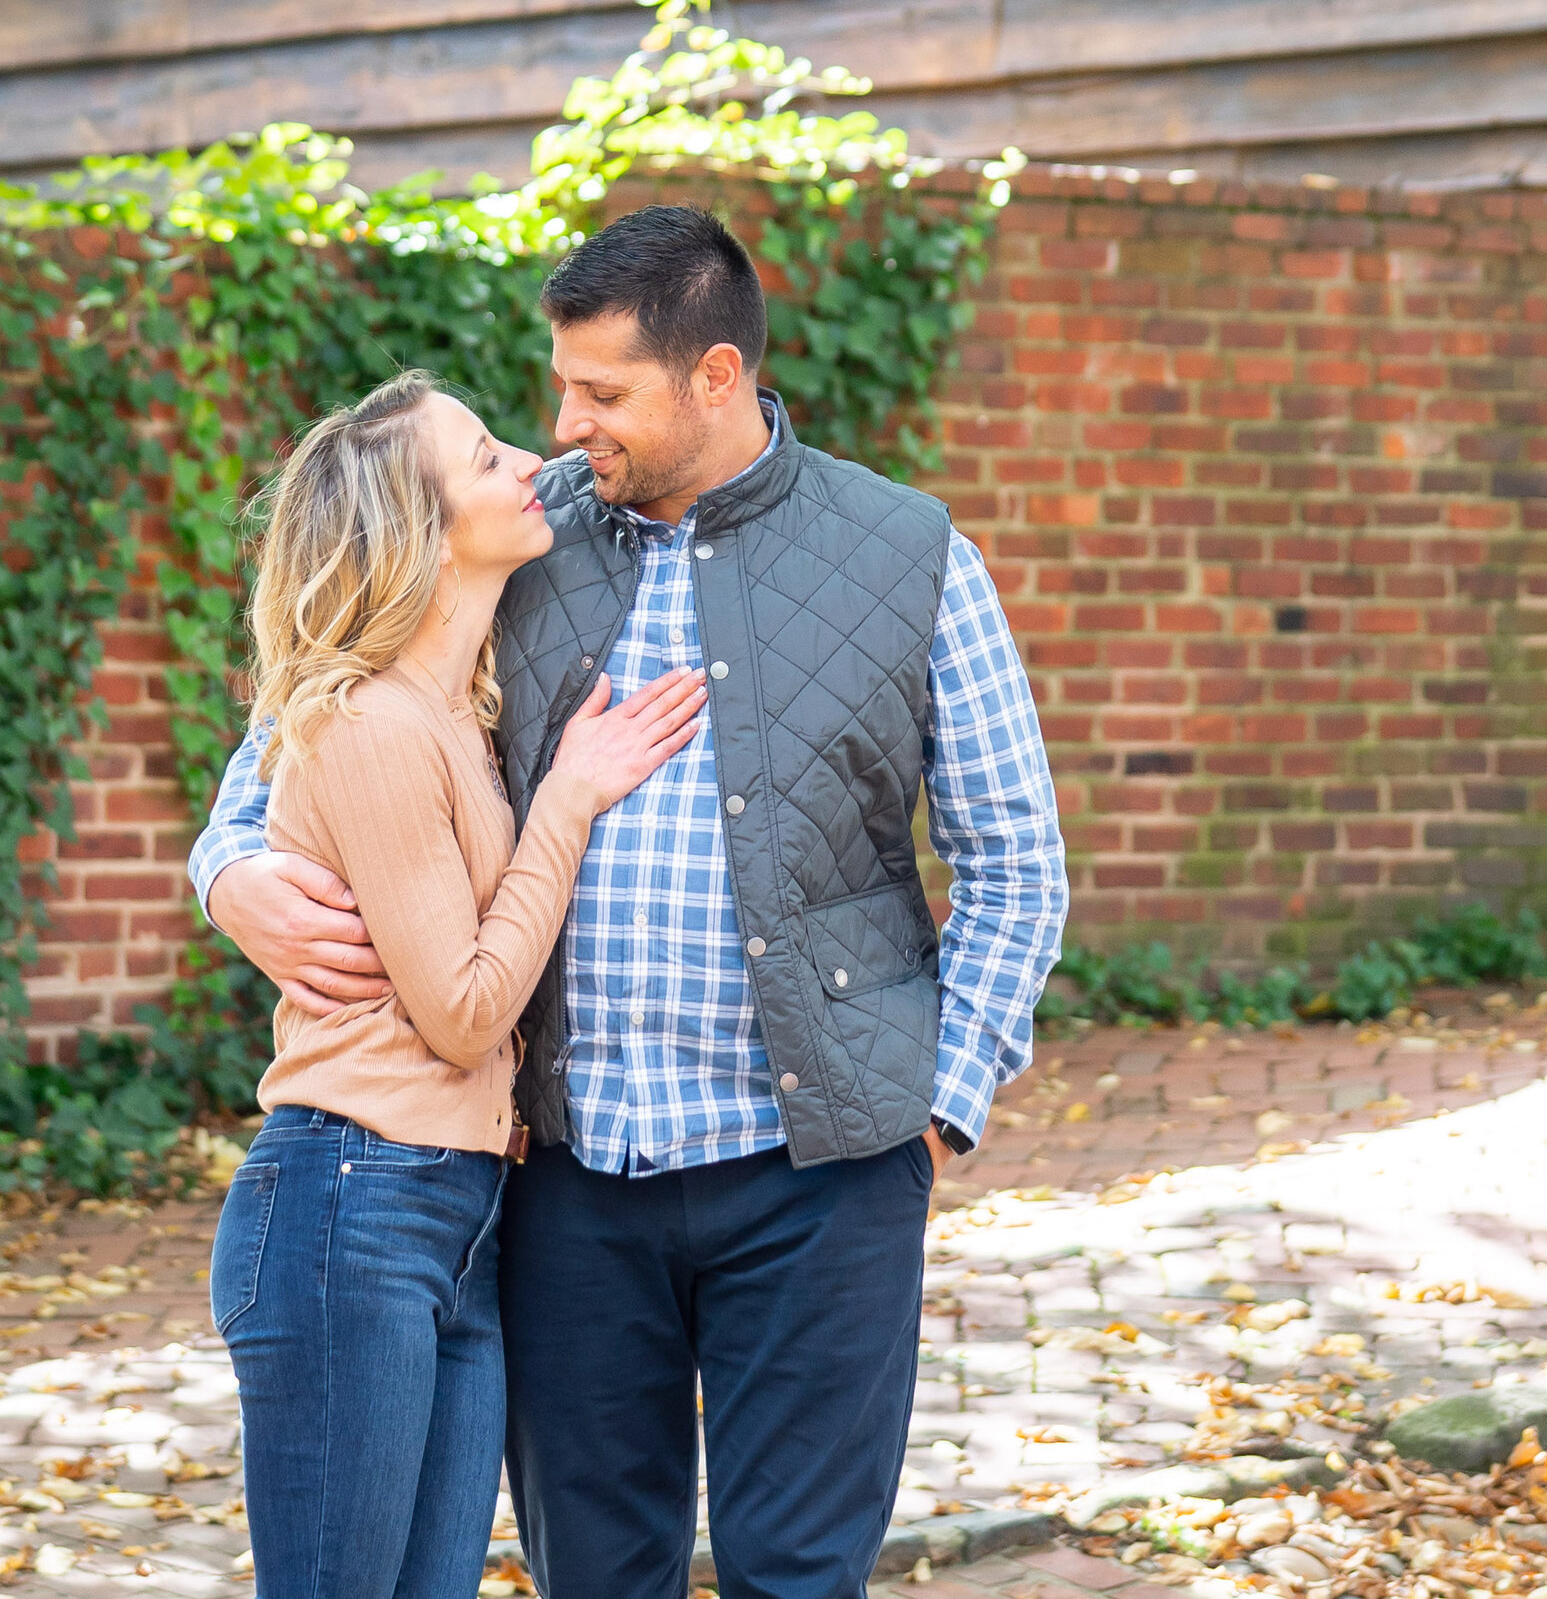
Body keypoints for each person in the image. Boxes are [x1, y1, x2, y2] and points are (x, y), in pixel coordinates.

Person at [192, 206, 1068, 1599]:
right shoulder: (520, 527)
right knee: (594, 1576)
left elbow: (1014, 855)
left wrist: (941, 1110)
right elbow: (306, 712)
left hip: (823, 1179)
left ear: (714, 376)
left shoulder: (912, 558)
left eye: (604, 392)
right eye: (560, 387)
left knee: (799, 1576)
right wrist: (229, 869)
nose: (565, 424)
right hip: (565, 1189)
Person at [208, 367, 708, 1599]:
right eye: (485, 459)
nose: (531, 462)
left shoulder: (453, 718)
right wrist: (573, 801)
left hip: (459, 1215)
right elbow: (465, 1010)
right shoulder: (377, 727)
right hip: (351, 1208)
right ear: (418, 536)